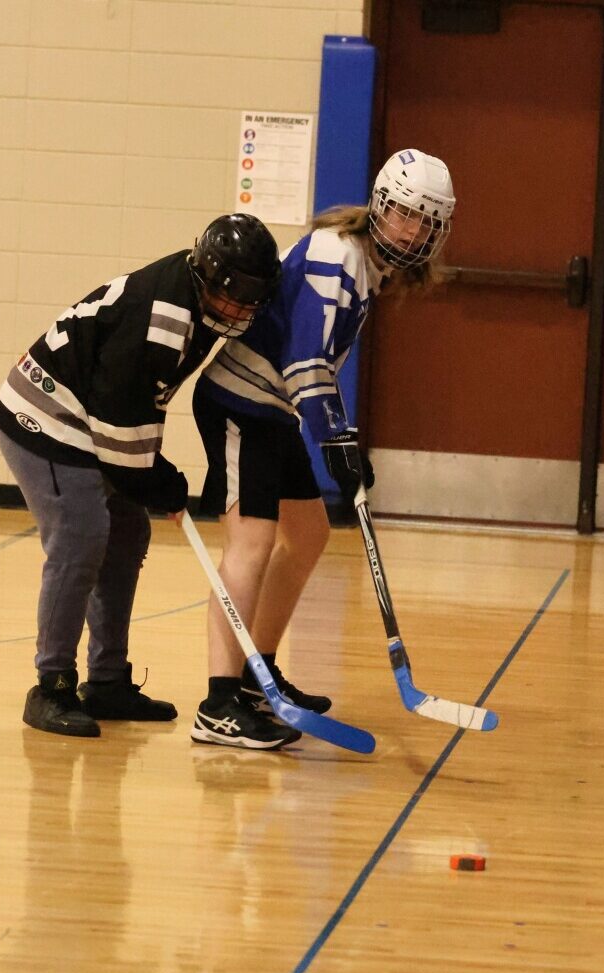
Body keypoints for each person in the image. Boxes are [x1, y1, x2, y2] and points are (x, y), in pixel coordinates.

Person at [190, 149, 456, 751]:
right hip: (242, 403)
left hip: (273, 409)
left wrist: (343, 439)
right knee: (251, 546)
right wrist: (335, 440)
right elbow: (304, 359)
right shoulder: (337, 255)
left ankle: (258, 676)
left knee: (307, 535)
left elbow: (314, 368)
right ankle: (218, 702)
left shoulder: (367, 265)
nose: (412, 230)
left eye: (426, 222)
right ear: (381, 207)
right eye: (405, 214)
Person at [0, 213, 281, 739]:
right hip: (45, 417)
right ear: (206, 277)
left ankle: (106, 681)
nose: (238, 310)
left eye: (249, 301)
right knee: (81, 539)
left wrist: (151, 477)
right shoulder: (165, 318)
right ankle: (51, 684)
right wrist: (157, 479)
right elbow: (120, 419)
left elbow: (136, 407)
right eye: (229, 297)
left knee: (127, 535)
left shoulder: (199, 303)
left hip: (93, 416)